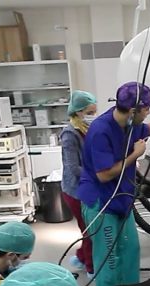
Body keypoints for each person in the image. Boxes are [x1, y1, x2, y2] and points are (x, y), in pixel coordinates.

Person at [76, 82, 150, 286]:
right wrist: (135, 155)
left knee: (130, 251)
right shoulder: (101, 130)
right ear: (134, 110)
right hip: (102, 202)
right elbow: (104, 174)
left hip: (121, 198)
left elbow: (148, 128)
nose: (147, 113)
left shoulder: (128, 123)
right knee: (109, 259)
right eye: (146, 110)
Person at [61, 90, 97, 275]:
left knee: (87, 227)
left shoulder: (87, 129)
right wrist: (100, 173)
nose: (93, 117)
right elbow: (73, 167)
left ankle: (81, 258)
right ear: (77, 112)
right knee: (90, 230)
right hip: (75, 191)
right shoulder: (70, 134)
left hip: (88, 185)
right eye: (89, 113)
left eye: (94, 112)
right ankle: (91, 267)